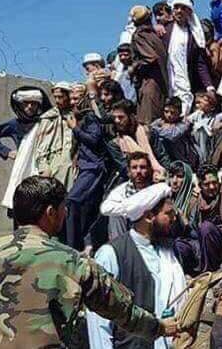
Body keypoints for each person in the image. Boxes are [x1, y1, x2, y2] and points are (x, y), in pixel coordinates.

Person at [0, 176, 176, 347]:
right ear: (51, 212)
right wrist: (160, 327)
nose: (66, 214)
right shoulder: (73, 262)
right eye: (64, 208)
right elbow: (124, 312)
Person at [87, 183, 187, 349]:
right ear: (149, 216)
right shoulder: (112, 254)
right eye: (168, 213)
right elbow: (98, 321)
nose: (174, 218)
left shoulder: (169, 251)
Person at [66, 89, 109, 252]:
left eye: (76, 98)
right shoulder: (80, 117)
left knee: (72, 201)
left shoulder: (90, 117)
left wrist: (75, 128)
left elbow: (94, 139)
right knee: (85, 208)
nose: (73, 102)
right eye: (71, 99)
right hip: (85, 167)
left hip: (93, 167)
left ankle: (72, 246)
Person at [162, 0, 215, 116]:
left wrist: (209, 86)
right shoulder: (164, 30)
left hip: (184, 81)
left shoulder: (194, 36)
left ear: (189, 12)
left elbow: (200, 64)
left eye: (183, 8)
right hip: (166, 80)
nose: (179, 11)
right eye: (176, 7)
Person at [0, 86, 50, 162]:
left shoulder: (45, 122)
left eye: (33, 103)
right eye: (26, 103)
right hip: (23, 165)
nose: (30, 106)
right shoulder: (15, 124)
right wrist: (7, 152)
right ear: (20, 105)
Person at [129, 5, 169, 125]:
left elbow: (150, 57)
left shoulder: (139, 35)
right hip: (160, 84)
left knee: (147, 125)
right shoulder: (153, 34)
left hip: (149, 86)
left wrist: (133, 67)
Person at [101, 151, 156, 240]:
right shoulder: (121, 193)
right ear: (129, 171)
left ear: (149, 169)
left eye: (142, 167)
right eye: (134, 168)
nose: (138, 171)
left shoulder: (156, 191)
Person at [33, 81, 75, 190]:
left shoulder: (76, 115)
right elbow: (41, 146)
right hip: (52, 163)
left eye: (60, 97)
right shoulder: (48, 117)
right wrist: (43, 167)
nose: (57, 100)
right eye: (55, 97)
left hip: (71, 163)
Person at [150, 97, 197, 168]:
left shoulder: (184, 123)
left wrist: (159, 129)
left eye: (172, 112)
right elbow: (150, 129)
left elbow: (172, 136)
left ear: (179, 112)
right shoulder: (159, 121)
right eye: (166, 112)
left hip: (182, 159)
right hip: (164, 157)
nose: (169, 115)